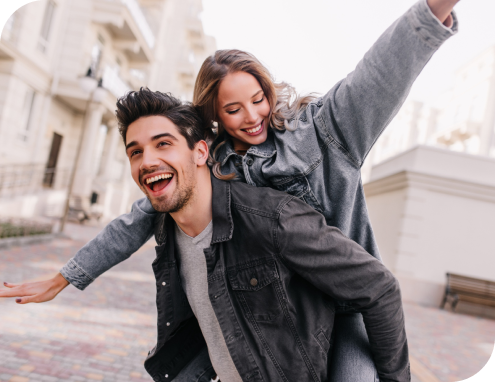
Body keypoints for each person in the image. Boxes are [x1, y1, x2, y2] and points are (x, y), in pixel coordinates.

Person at [0, 0, 460, 380]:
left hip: (347, 304)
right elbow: (140, 217)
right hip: (280, 314)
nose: (253, 116)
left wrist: (434, 11)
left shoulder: (323, 132)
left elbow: (380, 74)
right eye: (234, 109)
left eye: (258, 98)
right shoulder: (216, 164)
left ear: (268, 89)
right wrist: (67, 277)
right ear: (215, 117)